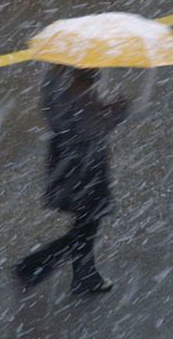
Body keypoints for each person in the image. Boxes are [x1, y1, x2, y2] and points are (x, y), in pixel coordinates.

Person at [15, 64, 130, 295]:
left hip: (63, 157)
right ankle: (35, 265)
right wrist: (116, 111)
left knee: (85, 220)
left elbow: (59, 114)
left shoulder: (55, 77)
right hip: (85, 163)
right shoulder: (80, 88)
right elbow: (93, 128)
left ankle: (84, 274)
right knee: (87, 223)